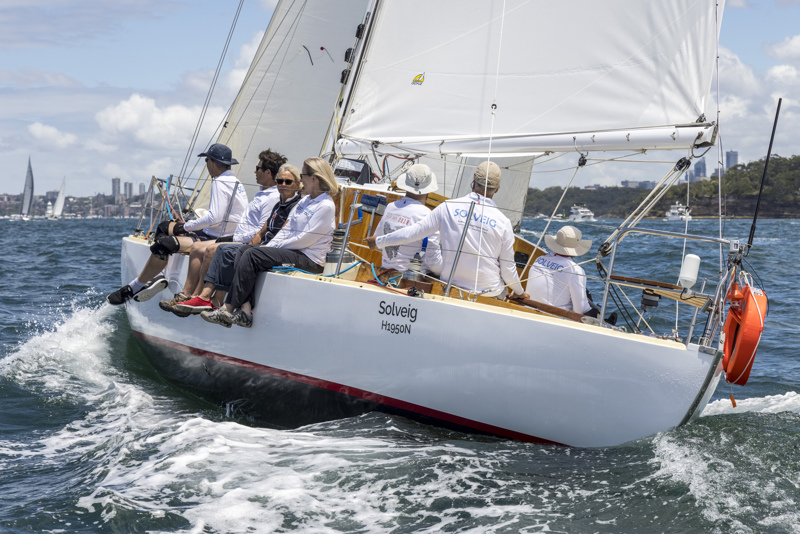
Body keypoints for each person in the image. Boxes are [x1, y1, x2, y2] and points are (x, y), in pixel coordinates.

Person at [201, 157, 339, 328]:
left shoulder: (325, 205)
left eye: (302, 175)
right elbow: (286, 230)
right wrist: (268, 246)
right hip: (293, 250)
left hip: (308, 258)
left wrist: (270, 248)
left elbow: (303, 240)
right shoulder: (305, 201)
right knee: (246, 250)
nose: (301, 179)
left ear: (314, 178)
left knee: (252, 254)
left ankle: (228, 307)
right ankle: (245, 309)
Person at [107, 143, 248, 305]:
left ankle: (135, 286)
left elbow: (214, 217)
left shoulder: (219, 182)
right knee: (165, 227)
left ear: (213, 163)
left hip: (214, 237)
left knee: (164, 243)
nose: (207, 165)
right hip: (224, 234)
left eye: (206, 161)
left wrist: (185, 226)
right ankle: (159, 275)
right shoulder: (236, 182)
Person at [366, 160, 529, 300]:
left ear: (473, 184)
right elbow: (508, 271)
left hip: (450, 285)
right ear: (497, 190)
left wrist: (378, 242)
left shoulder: (448, 207)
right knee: (502, 291)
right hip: (487, 293)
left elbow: (413, 232)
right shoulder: (504, 222)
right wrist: (519, 292)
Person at [159, 149, 287, 315]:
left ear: (268, 172)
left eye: (258, 168)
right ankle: (187, 295)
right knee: (197, 247)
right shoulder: (262, 193)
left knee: (211, 249)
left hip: (246, 241)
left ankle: (200, 296)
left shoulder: (271, 197)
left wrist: (237, 238)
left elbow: (261, 230)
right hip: (239, 237)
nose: (254, 171)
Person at [526, 225, 617, 324]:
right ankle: (606, 322)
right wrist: (597, 312)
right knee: (593, 311)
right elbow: (580, 310)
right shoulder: (575, 270)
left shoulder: (539, 259)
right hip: (554, 319)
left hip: (528, 311)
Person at [372, 164, 443, 277]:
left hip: (384, 272)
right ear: (428, 189)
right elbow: (433, 261)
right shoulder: (428, 215)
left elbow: (379, 238)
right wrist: (444, 273)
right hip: (410, 278)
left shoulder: (390, 207)